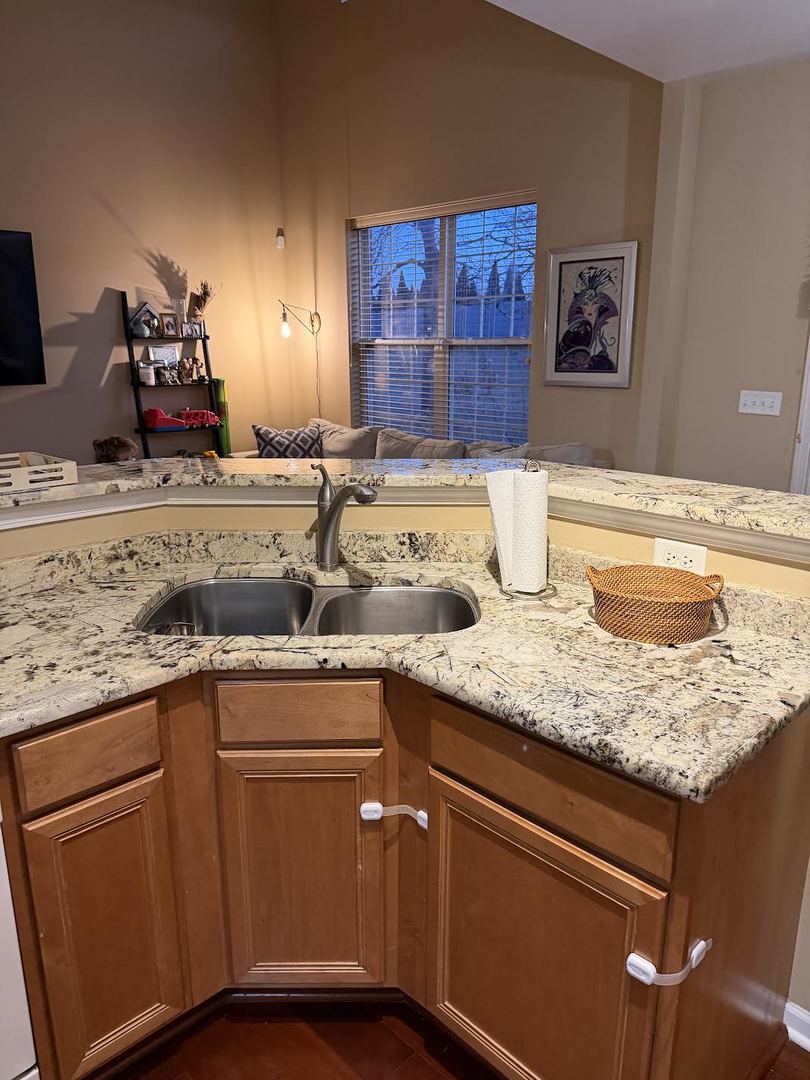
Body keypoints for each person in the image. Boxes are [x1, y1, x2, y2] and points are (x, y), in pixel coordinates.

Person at [556, 265, 619, 372]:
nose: (589, 310)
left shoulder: (606, 332)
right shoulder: (576, 332)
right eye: (585, 304)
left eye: (594, 304)